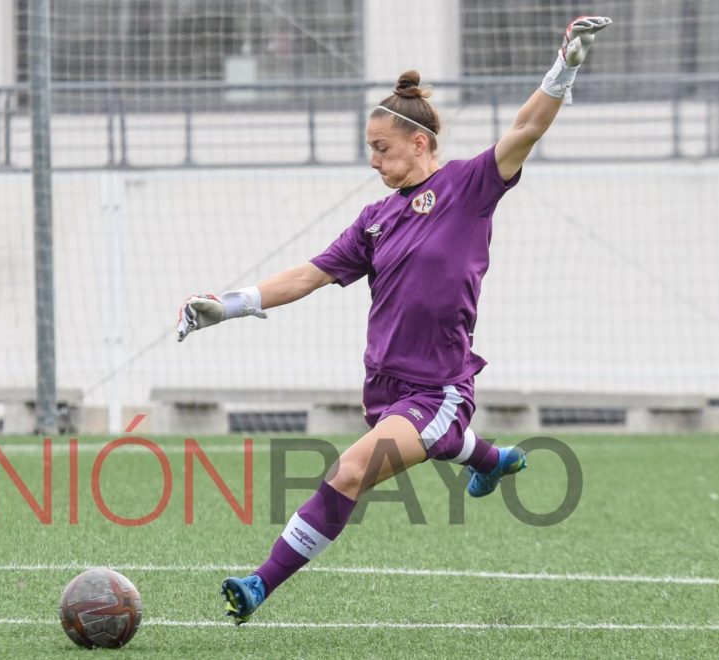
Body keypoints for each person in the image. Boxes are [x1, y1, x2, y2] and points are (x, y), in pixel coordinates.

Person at [176, 16, 612, 624]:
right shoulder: (374, 218)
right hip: (384, 386)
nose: (375, 161)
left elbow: (527, 127)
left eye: (381, 149)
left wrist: (565, 63)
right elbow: (307, 275)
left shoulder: (469, 186)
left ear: (419, 142)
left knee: (351, 468)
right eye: (369, 152)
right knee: (420, 446)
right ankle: (487, 460)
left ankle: (258, 584)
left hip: (437, 388)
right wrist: (228, 304)